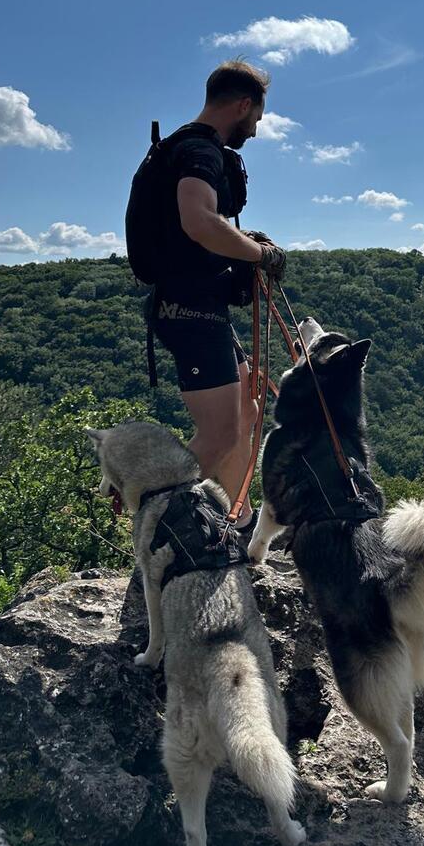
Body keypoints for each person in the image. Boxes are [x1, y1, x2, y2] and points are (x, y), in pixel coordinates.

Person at [147, 60, 286, 534]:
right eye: (257, 118)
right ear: (243, 105)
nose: (256, 129)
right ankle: (160, 524)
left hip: (197, 304)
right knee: (222, 432)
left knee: (246, 411)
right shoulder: (200, 153)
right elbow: (199, 221)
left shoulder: (183, 148)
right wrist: (261, 255)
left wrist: (245, 245)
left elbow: (202, 225)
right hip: (188, 308)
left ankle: (238, 519)